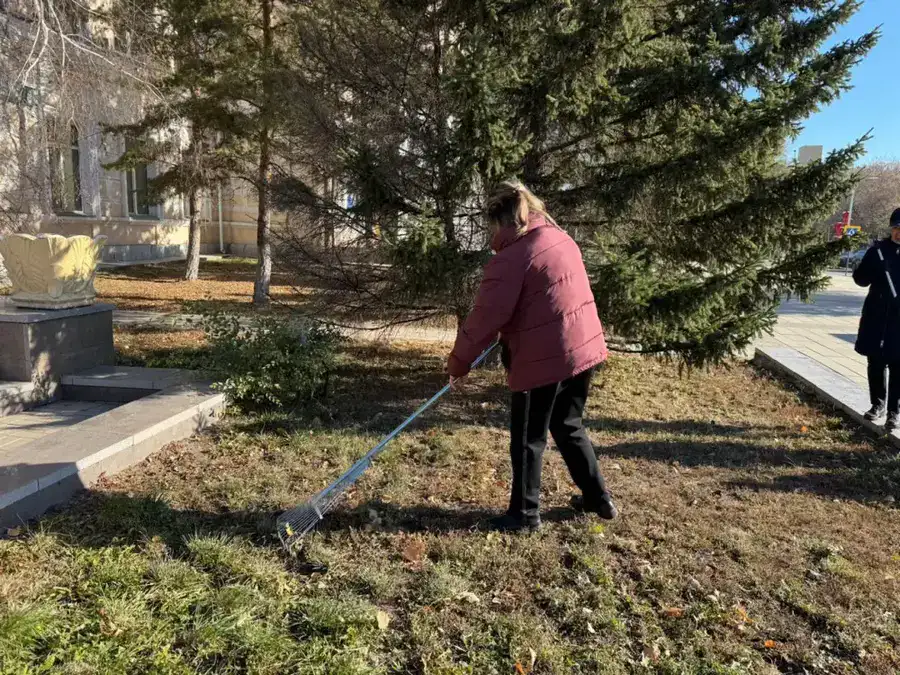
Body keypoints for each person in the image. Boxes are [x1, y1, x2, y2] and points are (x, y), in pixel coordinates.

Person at [446, 180, 616, 532]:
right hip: (581, 350)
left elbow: (484, 318)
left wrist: (458, 363)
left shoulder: (513, 256)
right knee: (569, 425)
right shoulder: (558, 237)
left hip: (545, 358)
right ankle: (598, 497)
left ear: (498, 219)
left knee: (527, 438)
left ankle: (524, 516)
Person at [853, 207, 900, 431]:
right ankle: (877, 405)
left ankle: (894, 412)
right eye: (896, 228)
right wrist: (869, 267)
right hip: (876, 317)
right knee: (875, 363)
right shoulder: (878, 251)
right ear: (891, 229)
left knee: (898, 365)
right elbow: (861, 280)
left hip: (898, 320)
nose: (899, 232)